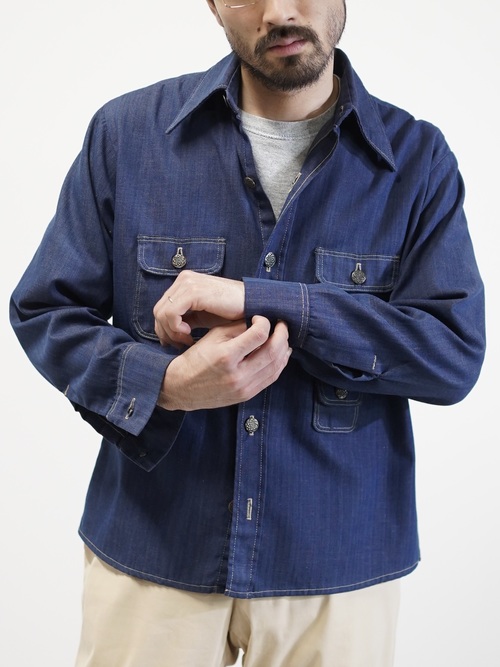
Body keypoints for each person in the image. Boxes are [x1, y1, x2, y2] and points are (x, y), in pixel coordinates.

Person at [10, 0, 485, 665]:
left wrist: (257, 298)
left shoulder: (418, 160)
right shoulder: (127, 135)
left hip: (337, 569)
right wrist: (165, 384)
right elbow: (46, 310)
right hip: (153, 551)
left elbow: (452, 354)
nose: (279, 11)